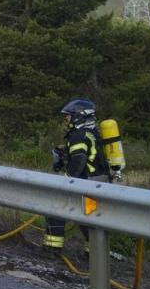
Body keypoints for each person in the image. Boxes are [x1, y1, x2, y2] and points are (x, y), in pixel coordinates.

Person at [43, 99, 111, 252]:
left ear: (79, 115)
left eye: (68, 116)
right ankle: (94, 253)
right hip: (98, 183)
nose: (66, 119)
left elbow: (78, 161)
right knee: (89, 218)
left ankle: (52, 249)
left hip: (86, 183)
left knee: (55, 209)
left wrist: (67, 180)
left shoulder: (78, 135)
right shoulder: (92, 132)